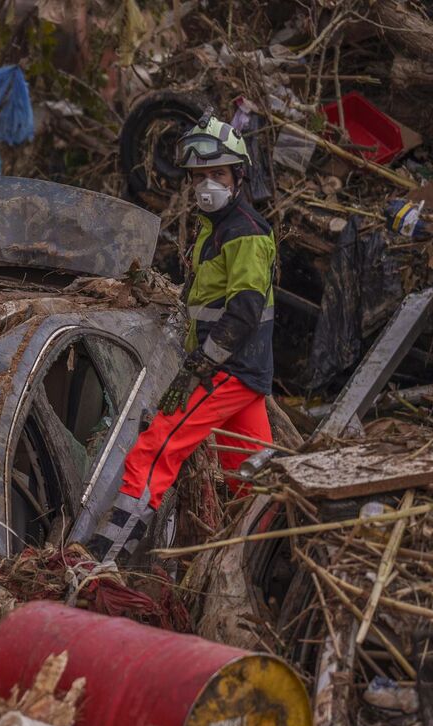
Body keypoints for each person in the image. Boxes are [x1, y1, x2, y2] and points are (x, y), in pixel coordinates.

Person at [90, 116, 277, 564]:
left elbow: (245, 310)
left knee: (155, 450)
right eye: (199, 178)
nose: (207, 185)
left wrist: (199, 366)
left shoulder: (245, 233)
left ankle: (103, 561)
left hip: (226, 368)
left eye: (218, 175)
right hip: (243, 372)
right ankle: (269, 560)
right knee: (254, 479)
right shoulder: (214, 230)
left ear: (239, 177)